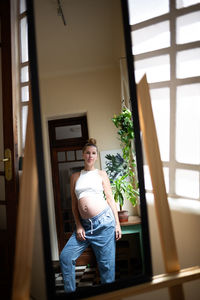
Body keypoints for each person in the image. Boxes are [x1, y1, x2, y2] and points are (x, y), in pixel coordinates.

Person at [60, 138, 122, 293]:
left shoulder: (101, 174)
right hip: (85, 226)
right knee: (66, 257)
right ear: (83, 155)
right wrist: (79, 225)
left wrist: (117, 223)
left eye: (93, 153)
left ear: (96, 156)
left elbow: (110, 199)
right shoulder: (75, 177)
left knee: (106, 268)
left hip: (104, 223)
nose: (90, 156)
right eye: (87, 152)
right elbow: (74, 205)